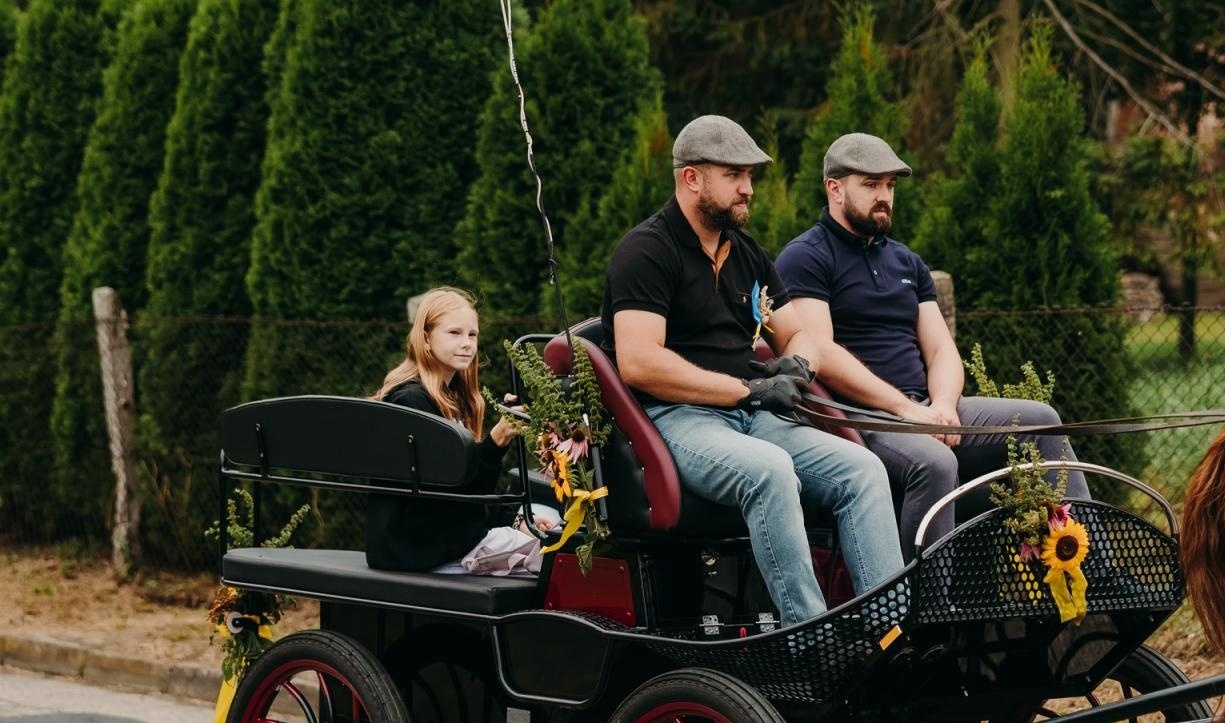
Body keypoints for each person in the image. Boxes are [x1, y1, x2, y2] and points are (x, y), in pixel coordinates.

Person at [601, 115, 903, 627]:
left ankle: (891, 633)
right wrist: (749, 388)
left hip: (752, 415)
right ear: (691, 178)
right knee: (770, 472)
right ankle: (807, 639)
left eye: (751, 177)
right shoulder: (644, 251)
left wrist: (798, 365)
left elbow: (800, 331)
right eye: (735, 176)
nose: (749, 189)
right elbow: (639, 362)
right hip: (677, 419)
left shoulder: (746, 253)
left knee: (864, 469)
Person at [775, 132, 1090, 560]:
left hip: (923, 407)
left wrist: (941, 406)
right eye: (870, 185)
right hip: (860, 419)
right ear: (834, 188)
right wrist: (907, 412)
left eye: (890, 185)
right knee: (935, 462)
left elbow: (942, 350)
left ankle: (1092, 569)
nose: (884, 195)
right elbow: (821, 354)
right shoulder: (806, 257)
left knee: (1041, 423)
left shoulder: (906, 262)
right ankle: (923, 611)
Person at [365, 287, 556, 574]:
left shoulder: (453, 396)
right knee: (556, 551)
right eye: (454, 333)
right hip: (421, 550)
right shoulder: (412, 401)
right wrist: (497, 440)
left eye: (472, 334)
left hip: (438, 538)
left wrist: (514, 520)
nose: (466, 343)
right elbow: (452, 498)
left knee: (548, 519)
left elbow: (467, 494)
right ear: (426, 338)